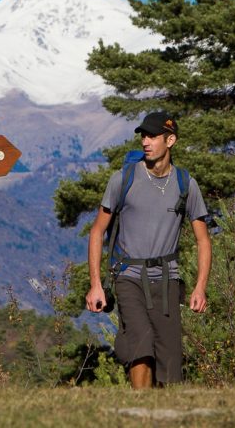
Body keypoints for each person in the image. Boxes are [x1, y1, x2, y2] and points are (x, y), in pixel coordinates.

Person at [86, 111, 212, 388]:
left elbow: (203, 239)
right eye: (143, 135)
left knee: (170, 363)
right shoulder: (123, 179)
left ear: (171, 140)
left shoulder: (185, 184)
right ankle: (141, 411)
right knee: (140, 343)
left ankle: (163, 412)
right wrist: (96, 285)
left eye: (152, 136)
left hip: (167, 280)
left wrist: (200, 288)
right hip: (128, 276)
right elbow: (97, 231)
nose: (146, 141)